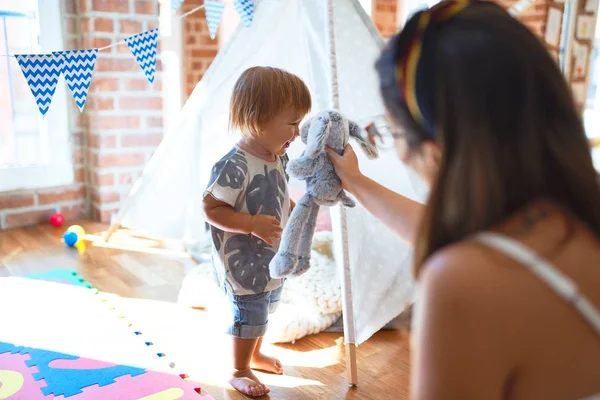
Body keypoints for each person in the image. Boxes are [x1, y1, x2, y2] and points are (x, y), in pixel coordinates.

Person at [326, 1, 600, 398]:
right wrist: (357, 183)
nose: (400, 154)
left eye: (394, 133)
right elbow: (453, 233)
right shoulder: (573, 219)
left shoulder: (463, 283)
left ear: (438, 149)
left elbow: (467, 256)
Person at [202, 66, 310, 397]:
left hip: (270, 256)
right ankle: (239, 368)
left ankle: (256, 353)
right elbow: (211, 207)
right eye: (291, 123)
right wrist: (249, 224)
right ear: (257, 118)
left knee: (268, 305)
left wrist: (289, 211)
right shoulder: (233, 164)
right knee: (250, 310)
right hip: (243, 261)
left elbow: (276, 190)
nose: (297, 131)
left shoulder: (277, 154)